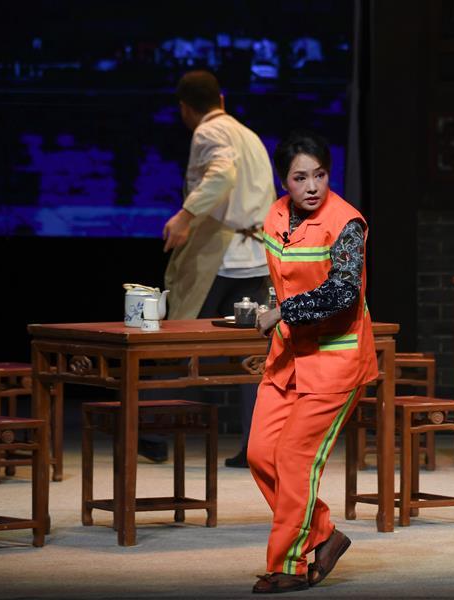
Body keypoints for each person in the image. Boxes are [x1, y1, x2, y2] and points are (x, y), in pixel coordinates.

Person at [247, 130, 377, 593]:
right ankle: (324, 534)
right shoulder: (276, 215)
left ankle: (289, 564)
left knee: (294, 458)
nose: (312, 186)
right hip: (288, 358)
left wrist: (283, 311)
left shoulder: (346, 222)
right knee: (260, 455)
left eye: (319, 175)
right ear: (284, 181)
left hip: (335, 362)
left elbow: (343, 293)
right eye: (300, 178)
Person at [155, 70, 275, 467]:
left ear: (184, 109)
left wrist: (185, 215)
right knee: (253, 356)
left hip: (222, 257)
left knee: (179, 341)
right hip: (256, 256)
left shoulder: (208, 132)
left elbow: (222, 174)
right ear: (221, 99)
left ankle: (152, 430)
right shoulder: (248, 134)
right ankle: (255, 445)